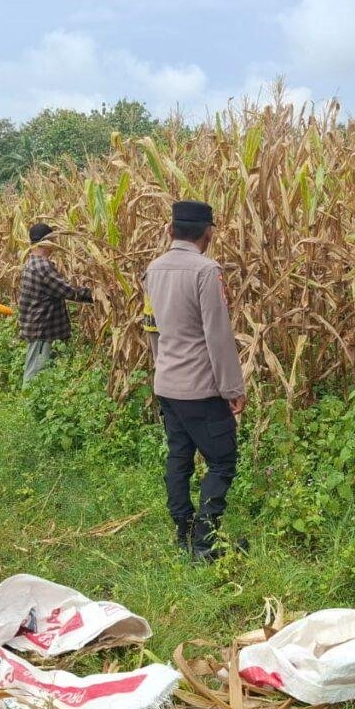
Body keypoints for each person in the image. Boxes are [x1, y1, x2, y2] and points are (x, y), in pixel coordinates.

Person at [142, 200, 247, 560]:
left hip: (167, 384)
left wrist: (163, 368)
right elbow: (217, 335)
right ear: (208, 233)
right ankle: (205, 541)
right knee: (222, 461)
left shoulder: (153, 269)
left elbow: (151, 328)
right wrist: (233, 388)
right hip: (201, 388)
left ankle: (182, 531)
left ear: (171, 231)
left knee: (179, 457)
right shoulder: (206, 271)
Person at [17, 223, 94, 384]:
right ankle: (28, 407)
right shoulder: (42, 266)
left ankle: (34, 404)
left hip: (38, 327)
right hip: (42, 330)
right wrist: (97, 295)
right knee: (34, 375)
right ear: (48, 242)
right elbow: (67, 291)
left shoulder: (31, 262)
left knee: (44, 372)